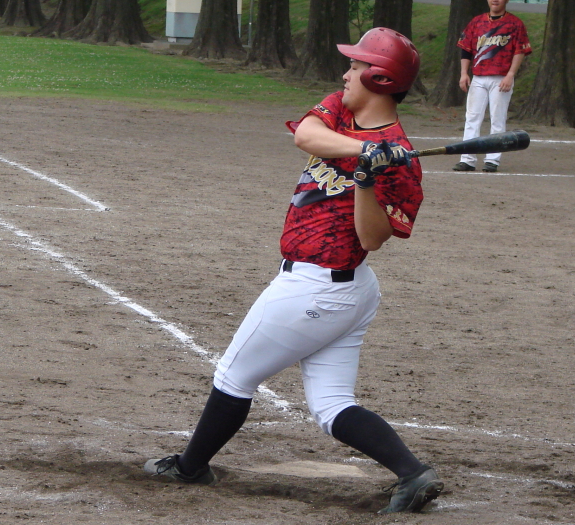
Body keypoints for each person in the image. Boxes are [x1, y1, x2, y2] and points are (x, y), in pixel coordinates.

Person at [143, 27, 444, 515]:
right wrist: (361, 152)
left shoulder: (401, 162)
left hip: (318, 286)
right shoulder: (343, 111)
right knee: (331, 405)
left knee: (234, 376)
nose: (345, 74)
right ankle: (413, 474)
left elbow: (372, 238)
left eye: (356, 67)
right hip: (335, 290)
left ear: (381, 78)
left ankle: (190, 467)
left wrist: (367, 180)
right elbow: (305, 134)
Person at [453, 0, 532, 173]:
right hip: (479, 77)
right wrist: (464, 73)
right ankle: (467, 159)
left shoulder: (515, 23)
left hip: (501, 77)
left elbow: (519, 51)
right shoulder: (477, 22)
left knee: (497, 118)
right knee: (472, 118)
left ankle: (492, 159)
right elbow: (466, 49)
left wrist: (510, 75)